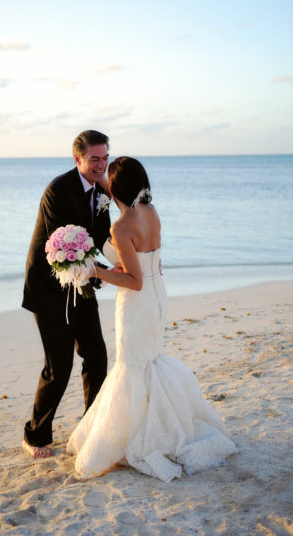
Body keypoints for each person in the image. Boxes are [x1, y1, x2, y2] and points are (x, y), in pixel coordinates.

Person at [67, 157, 237, 481]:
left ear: (115, 187)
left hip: (137, 303)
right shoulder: (151, 212)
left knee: (132, 365)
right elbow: (146, 266)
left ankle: (139, 435)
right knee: (150, 361)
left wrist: (97, 271)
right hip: (159, 297)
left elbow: (134, 280)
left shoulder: (121, 226)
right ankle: (159, 423)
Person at [22, 130, 111, 459]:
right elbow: (68, 247)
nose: (102, 165)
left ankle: (92, 427)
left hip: (83, 285)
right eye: (94, 159)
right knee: (59, 365)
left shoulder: (102, 190)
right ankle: (35, 436)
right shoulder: (58, 190)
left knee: (97, 356)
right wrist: (110, 273)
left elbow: (101, 236)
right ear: (78, 159)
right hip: (49, 289)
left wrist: (134, 261)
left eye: (105, 157)